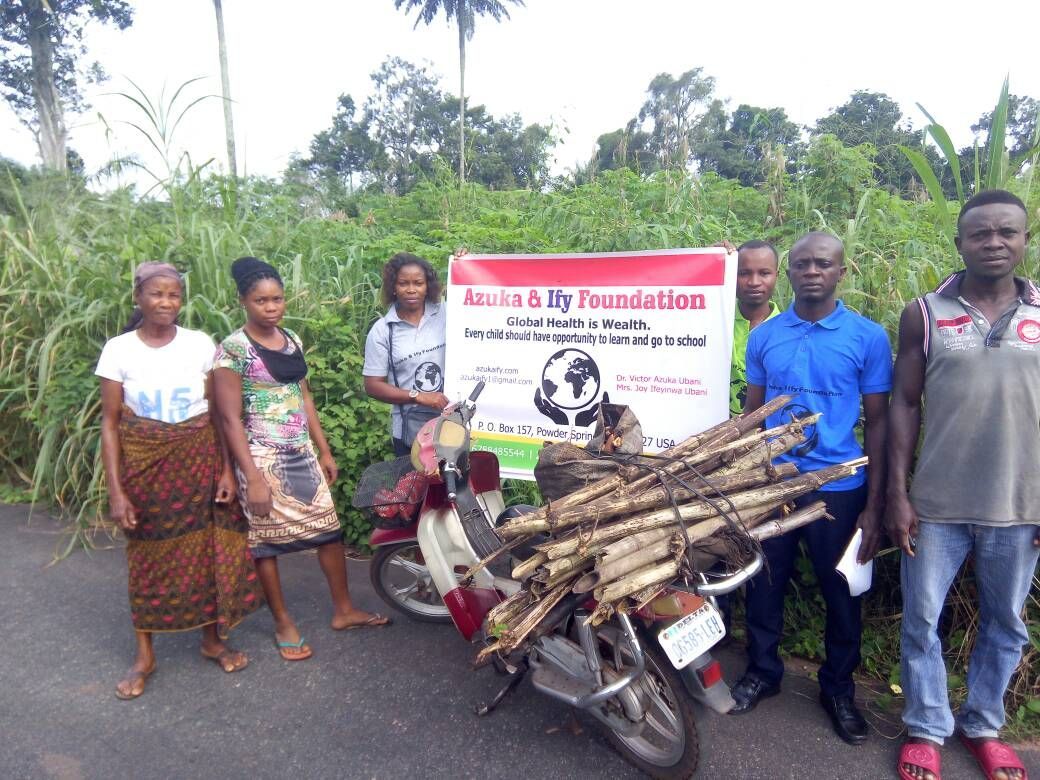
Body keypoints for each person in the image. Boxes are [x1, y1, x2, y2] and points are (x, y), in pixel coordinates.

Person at [886, 190, 1039, 780]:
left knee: (1006, 623)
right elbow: (903, 403)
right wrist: (897, 494)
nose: (994, 242)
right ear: (960, 243)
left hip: (1020, 502)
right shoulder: (924, 313)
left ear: (1024, 241)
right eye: (980, 234)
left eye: (1007, 232)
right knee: (922, 620)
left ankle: (984, 725)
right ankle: (926, 727)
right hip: (937, 504)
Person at [730, 233, 891, 748]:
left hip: (839, 486)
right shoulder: (767, 336)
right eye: (802, 264)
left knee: (841, 592)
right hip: (773, 481)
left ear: (842, 271)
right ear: (790, 272)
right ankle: (763, 671)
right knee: (765, 581)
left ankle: (839, 689)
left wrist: (876, 503)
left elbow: (882, 424)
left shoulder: (867, 337)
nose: (812, 271)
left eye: (823, 263)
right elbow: (755, 417)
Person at [97, 262, 262, 700]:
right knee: (148, 558)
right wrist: (116, 491)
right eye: (156, 294)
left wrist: (228, 470)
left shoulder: (198, 344)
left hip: (200, 461)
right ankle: (145, 654)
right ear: (138, 298)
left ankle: (211, 640)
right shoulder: (119, 350)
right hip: (146, 468)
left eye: (173, 295)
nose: (166, 302)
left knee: (210, 550)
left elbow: (217, 414)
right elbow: (110, 425)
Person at [213, 256, 388, 662]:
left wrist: (324, 449)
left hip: (302, 454)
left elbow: (304, 397)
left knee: (329, 531)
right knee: (265, 544)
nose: (271, 307)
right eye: (261, 301)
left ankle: (343, 610)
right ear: (243, 301)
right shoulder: (233, 351)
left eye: (277, 299)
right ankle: (283, 623)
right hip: (261, 456)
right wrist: (251, 476)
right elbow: (227, 417)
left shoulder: (291, 339)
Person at [363, 252, 449, 456]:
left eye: (418, 283)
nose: (411, 289)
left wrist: (466, 263)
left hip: (452, 425)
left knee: (455, 487)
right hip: (411, 432)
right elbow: (372, 385)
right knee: (415, 488)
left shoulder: (445, 313)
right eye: (403, 283)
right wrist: (418, 396)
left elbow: (476, 303)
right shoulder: (383, 330)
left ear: (428, 285)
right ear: (393, 286)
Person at [730, 240, 782, 417]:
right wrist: (710, 261)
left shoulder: (788, 331)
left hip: (765, 434)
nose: (754, 282)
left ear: (777, 275)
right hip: (709, 432)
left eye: (764, 273)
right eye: (744, 273)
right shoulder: (715, 320)